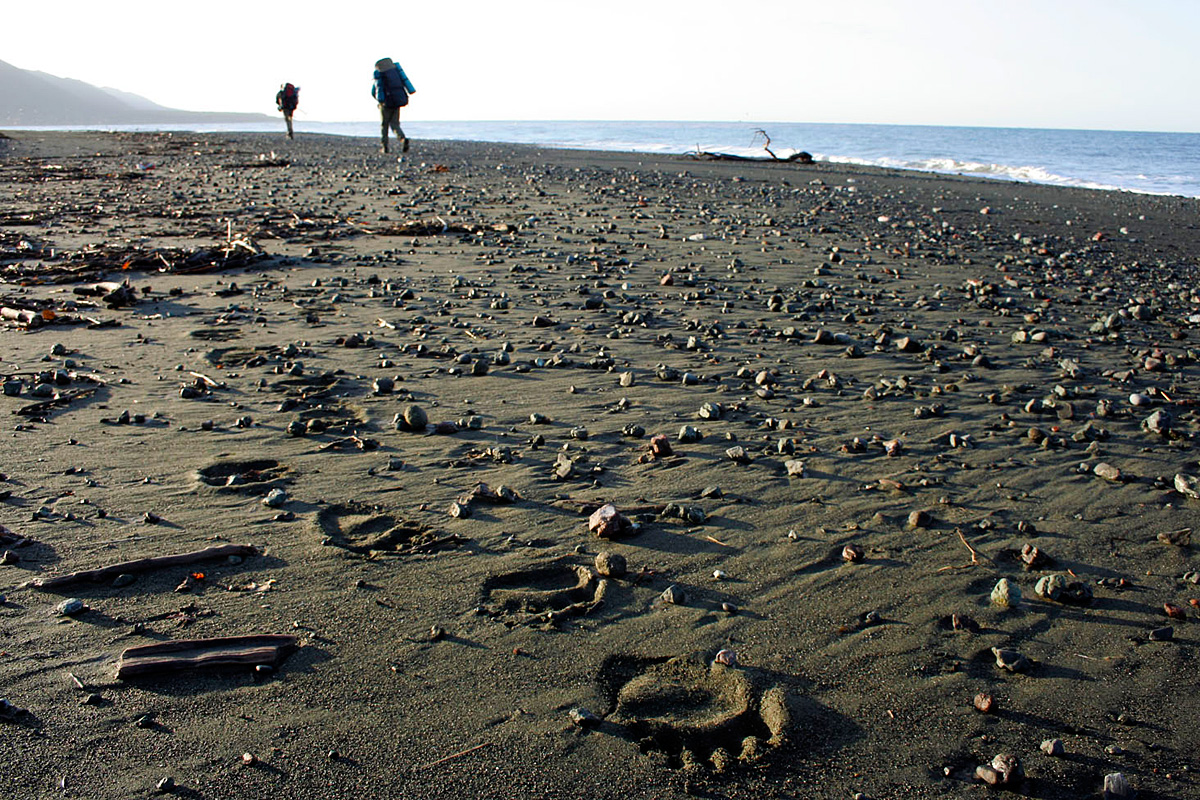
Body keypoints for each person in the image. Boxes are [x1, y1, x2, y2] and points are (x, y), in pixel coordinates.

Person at [371, 58, 416, 153]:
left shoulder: (380, 74)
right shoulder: (396, 73)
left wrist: (380, 100)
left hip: (385, 104)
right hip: (396, 102)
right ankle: (402, 139)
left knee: (384, 125)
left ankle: (385, 147)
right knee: (395, 124)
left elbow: (373, 91)